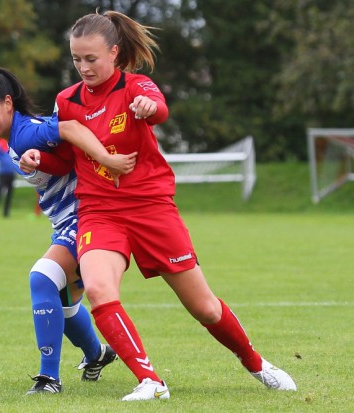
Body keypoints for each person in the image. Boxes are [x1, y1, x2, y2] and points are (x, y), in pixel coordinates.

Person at [20, 10, 297, 401]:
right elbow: (66, 159)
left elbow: (159, 108)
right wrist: (36, 160)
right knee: (98, 288)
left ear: (114, 52)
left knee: (204, 308)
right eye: (77, 59)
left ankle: (256, 363)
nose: (83, 67)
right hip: (100, 212)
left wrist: (150, 109)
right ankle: (150, 381)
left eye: (91, 58)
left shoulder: (136, 86)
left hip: (151, 208)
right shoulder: (67, 101)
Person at [0, 67, 137, 394]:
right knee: (65, 304)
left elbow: (71, 128)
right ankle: (97, 354)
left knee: (42, 278)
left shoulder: (26, 132)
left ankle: (49, 378)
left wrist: (106, 159)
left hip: (86, 218)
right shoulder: (17, 138)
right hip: (67, 223)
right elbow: (66, 158)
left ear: (7, 103)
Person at [0, 137, 15, 217]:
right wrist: (3, 160)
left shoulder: (12, 141)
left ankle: (6, 212)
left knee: (10, 193)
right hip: (3, 172)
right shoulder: (0, 143)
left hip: (11, 172)